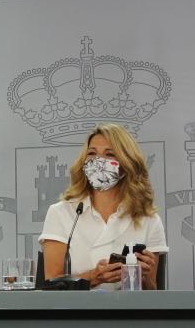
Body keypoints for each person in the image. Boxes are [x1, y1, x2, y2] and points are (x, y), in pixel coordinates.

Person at [39, 124, 168, 290]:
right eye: (92, 153)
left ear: (127, 163)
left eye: (109, 154)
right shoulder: (61, 212)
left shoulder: (148, 219)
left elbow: (152, 294)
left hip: (127, 314)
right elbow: (51, 285)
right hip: (74, 314)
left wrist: (142, 276)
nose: (98, 161)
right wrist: (93, 277)